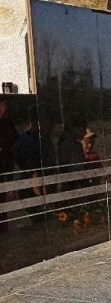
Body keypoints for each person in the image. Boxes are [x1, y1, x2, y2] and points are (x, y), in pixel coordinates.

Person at [14, 103, 57, 223]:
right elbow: (34, 175)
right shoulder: (26, 141)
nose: (52, 125)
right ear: (35, 121)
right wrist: (43, 199)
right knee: (44, 222)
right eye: (47, 120)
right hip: (34, 191)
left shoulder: (44, 137)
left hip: (46, 188)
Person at [0, 97, 19, 231]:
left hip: (4, 174)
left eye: (4, 105)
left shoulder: (7, 125)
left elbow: (15, 149)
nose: (4, 108)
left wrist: (10, 183)